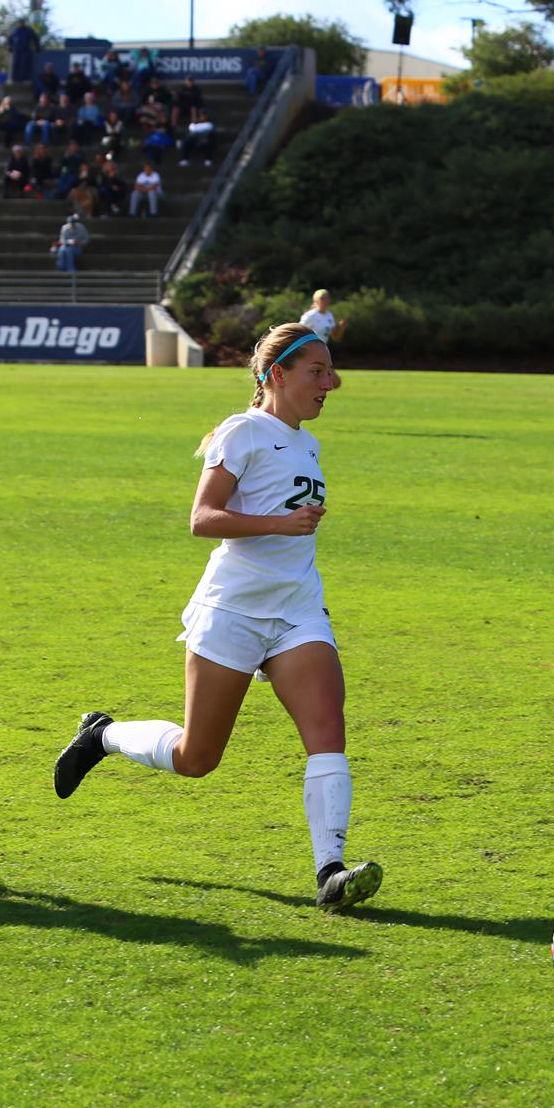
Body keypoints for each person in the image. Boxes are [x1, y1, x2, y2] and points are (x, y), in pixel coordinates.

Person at [52, 324, 380, 911]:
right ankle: (102, 735)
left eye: (331, 372)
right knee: (196, 758)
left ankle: (330, 872)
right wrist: (280, 525)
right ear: (276, 374)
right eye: (318, 371)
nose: (331, 382)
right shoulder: (243, 431)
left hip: (298, 609)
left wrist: (288, 534)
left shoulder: (307, 442)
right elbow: (203, 518)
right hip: (232, 608)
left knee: (328, 729)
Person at [7, 18, 39, 83]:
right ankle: (15, 79)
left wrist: (37, 46)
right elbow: (10, 39)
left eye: (22, 22)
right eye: (20, 22)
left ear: (24, 23)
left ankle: (25, 79)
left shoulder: (28, 30)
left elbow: (35, 37)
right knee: (16, 65)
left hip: (26, 50)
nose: (21, 23)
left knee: (24, 65)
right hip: (17, 51)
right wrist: (10, 47)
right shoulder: (15, 31)